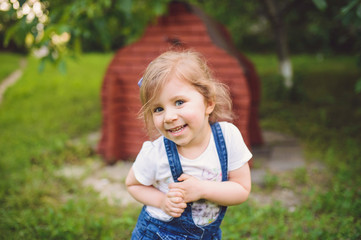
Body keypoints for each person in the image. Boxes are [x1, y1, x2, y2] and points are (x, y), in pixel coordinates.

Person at [126, 50, 252, 239]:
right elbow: (133, 184)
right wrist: (162, 201)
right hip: (158, 234)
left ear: (208, 103)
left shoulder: (227, 138)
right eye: (158, 109)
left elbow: (241, 189)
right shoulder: (156, 152)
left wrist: (202, 189)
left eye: (179, 102)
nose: (169, 117)